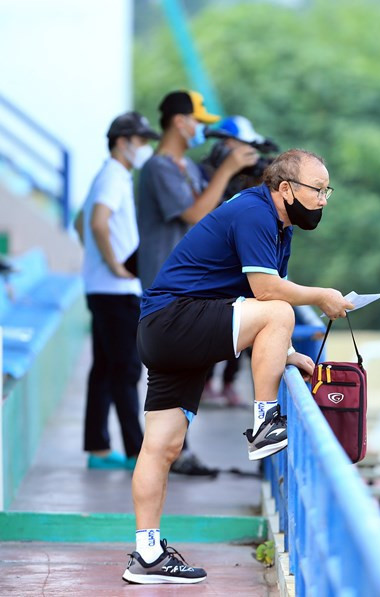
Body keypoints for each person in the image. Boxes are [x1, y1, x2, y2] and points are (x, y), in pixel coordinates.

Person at [122, 149, 355, 584]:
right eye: (317, 190)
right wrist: (322, 295)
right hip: (176, 319)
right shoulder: (255, 211)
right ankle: (266, 422)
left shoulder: (278, 228)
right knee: (280, 311)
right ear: (285, 189)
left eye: (328, 191)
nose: (324, 199)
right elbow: (266, 293)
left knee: (163, 446)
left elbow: (251, 308)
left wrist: (284, 353)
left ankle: (147, 554)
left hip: (172, 330)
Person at [137, 90, 259, 476]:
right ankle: (169, 453)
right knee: (166, 376)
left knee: (188, 372)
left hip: (191, 288)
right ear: (179, 121)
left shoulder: (185, 167)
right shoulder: (158, 167)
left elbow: (215, 209)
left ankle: (176, 452)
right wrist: (226, 169)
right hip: (165, 291)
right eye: (197, 122)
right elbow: (194, 213)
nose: (201, 130)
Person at [74, 112, 159, 470]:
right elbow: (95, 222)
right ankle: (136, 450)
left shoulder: (111, 175)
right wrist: (113, 265)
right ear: (123, 141)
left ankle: (98, 447)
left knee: (107, 368)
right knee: (125, 369)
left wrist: (98, 263)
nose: (144, 148)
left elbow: (80, 222)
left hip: (106, 287)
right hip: (116, 289)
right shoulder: (113, 175)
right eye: (141, 141)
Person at [198, 115, 278, 407]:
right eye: (239, 146)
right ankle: (206, 382)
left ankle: (229, 383)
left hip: (241, 270)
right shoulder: (203, 175)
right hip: (213, 272)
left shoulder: (244, 180)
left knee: (250, 324)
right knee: (216, 328)